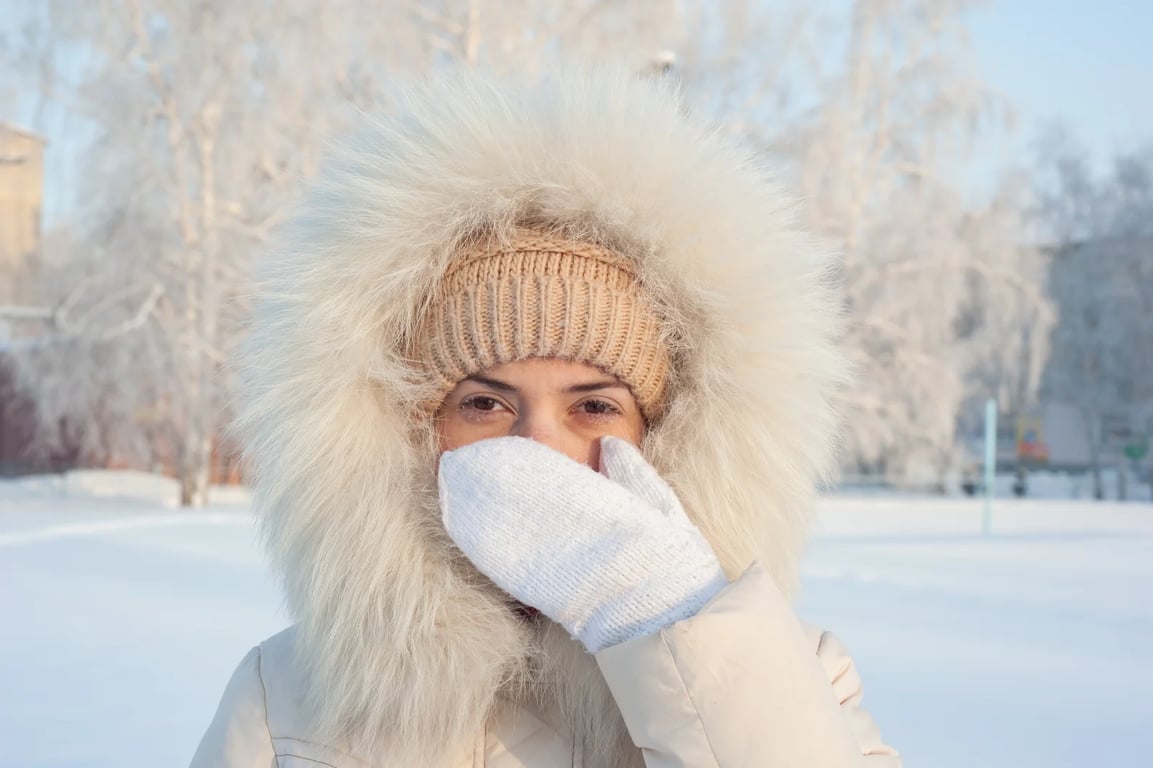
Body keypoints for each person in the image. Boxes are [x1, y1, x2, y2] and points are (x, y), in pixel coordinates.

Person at [191, 66, 900, 768]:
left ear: (663, 436)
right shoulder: (285, 698)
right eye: (484, 402)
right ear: (412, 432)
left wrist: (664, 622)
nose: (539, 446)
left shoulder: (791, 675)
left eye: (594, 405)